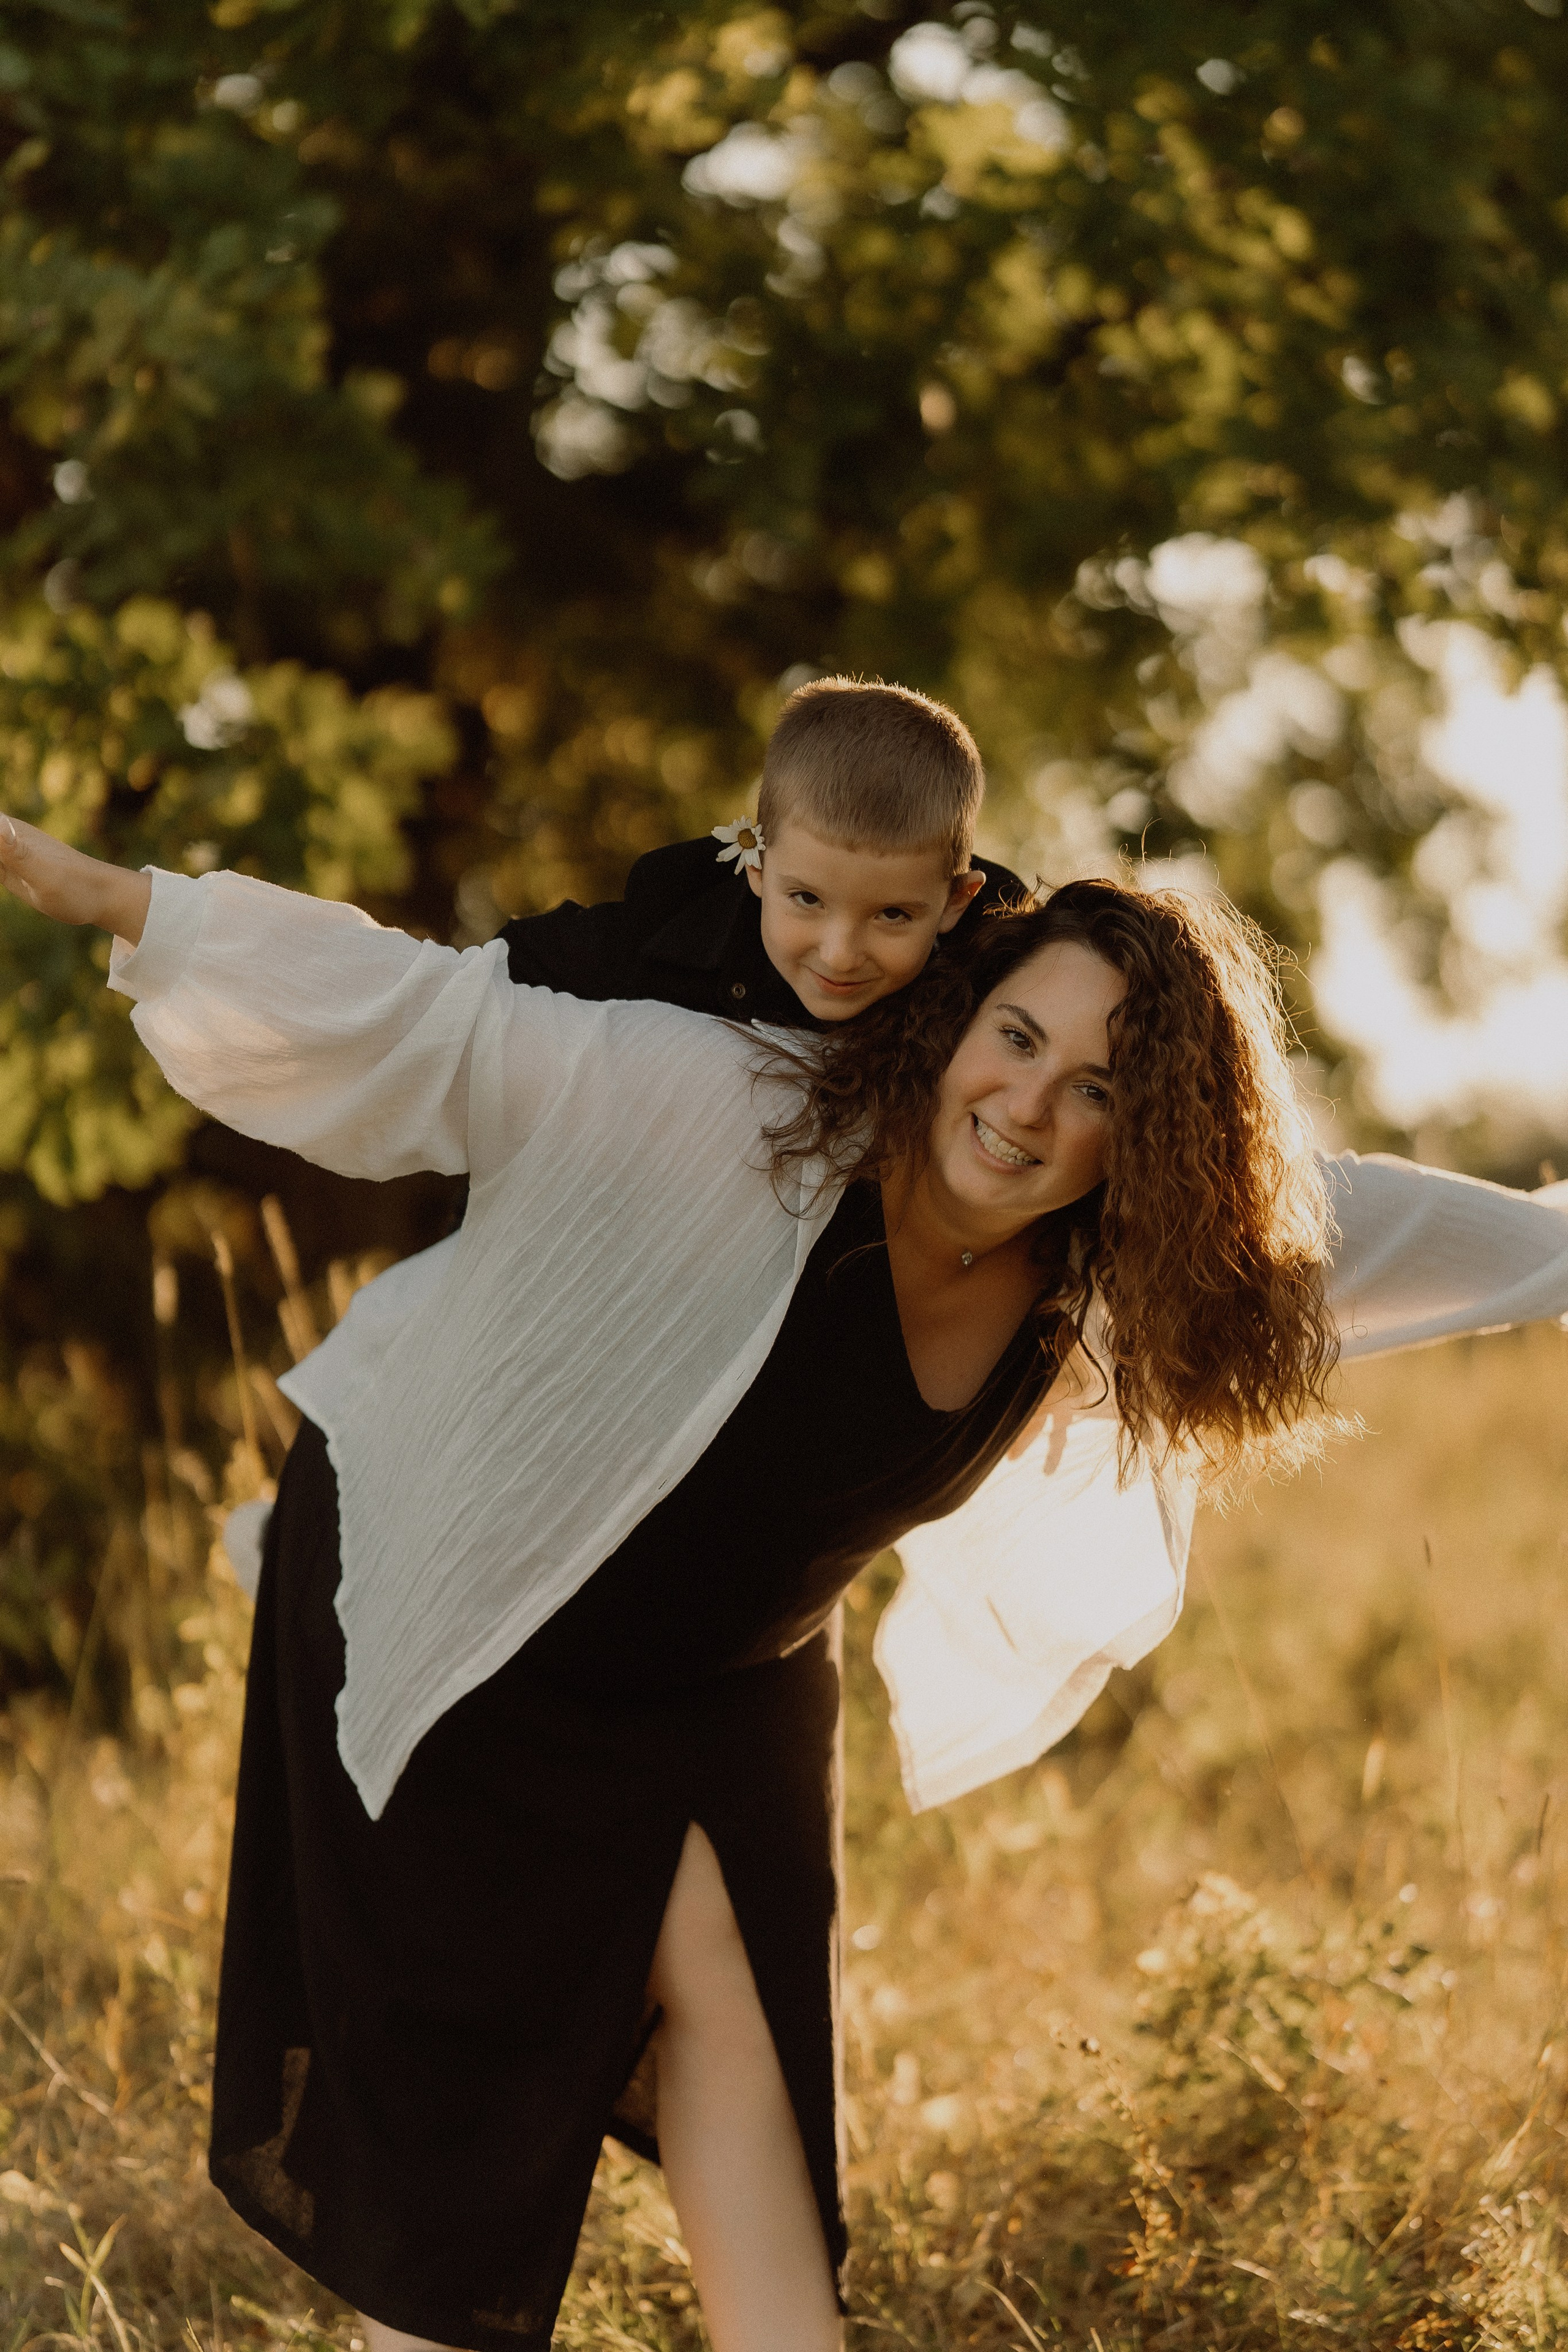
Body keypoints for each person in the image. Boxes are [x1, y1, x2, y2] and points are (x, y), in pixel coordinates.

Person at [4, 816, 1568, 2352]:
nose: (1025, 1104)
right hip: (467, 1588)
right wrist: (103, 892)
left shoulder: (1093, 1283)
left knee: (737, 1999)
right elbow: (439, 1017)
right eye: (1012, 1035)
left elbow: (1380, 1223)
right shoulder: (742, 1110)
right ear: (957, 1013)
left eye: (1094, 1088)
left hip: (725, 1669)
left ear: (1141, 1136)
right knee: (462, 2130)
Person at [495, 674, 1025, 1027]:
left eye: (892, 914)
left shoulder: (986, 999)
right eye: (808, 900)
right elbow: (503, 972)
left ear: (956, 901)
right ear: (756, 863)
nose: (839, 954)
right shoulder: (663, 938)